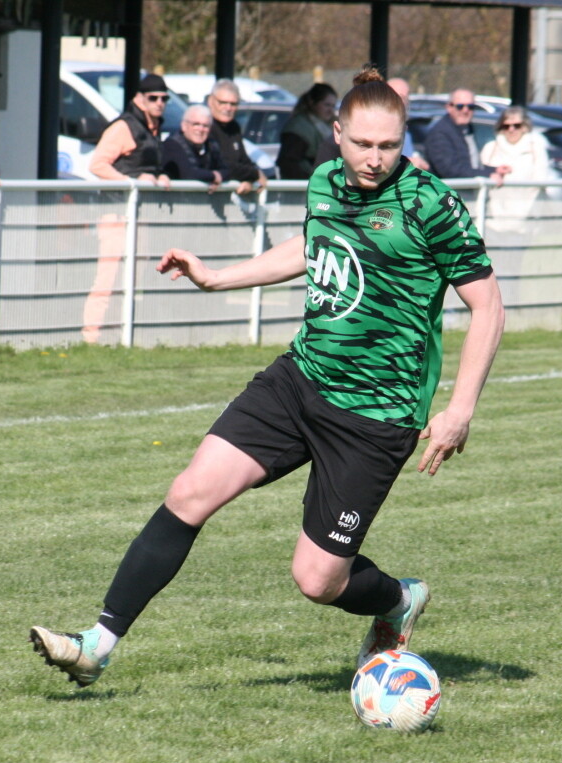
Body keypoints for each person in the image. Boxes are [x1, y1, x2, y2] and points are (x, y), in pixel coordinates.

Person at [29, 67, 505, 690]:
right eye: (363, 144)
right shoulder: (325, 181)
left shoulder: (429, 204)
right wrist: (216, 277)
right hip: (299, 380)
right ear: (338, 134)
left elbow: (488, 305)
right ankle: (97, 645)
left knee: (317, 580)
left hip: (375, 413)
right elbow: (311, 247)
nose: (375, 158)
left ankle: (397, 600)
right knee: (190, 491)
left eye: (389, 146)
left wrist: (460, 409)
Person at [83, 73, 173, 342]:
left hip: (139, 216)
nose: (160, 103)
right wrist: (131, 181)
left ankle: (118, 336)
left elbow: (145, 165)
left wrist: (160, 176)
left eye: (164, 98)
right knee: (108, 278)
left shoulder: (153, 127)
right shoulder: (123, 127)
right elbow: (97, 164)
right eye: (153, 98)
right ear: (139, 99)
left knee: (133, 278)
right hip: (115, 214)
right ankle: (91, 337)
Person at [480, 106, 551, 231]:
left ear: (524, 127)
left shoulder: (536, 149)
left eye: (516, 125)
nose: (511, 129)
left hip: (525, 224)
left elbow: (540, 183)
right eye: (506, 126)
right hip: (493, 223)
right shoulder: (490, 149)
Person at [424, 89, 509, 183]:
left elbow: (471, 166)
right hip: (449, 190)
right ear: (449, 107)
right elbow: (450, 170)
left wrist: (495, 170)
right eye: (460, 106)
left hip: (470, 189)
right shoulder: (440, 133)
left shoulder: (468, 130)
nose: (465, 110)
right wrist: (488, 175)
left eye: (470, 107)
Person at [205, 80, 270, 195]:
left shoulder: (233, 127)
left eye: (233, 104)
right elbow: (222, 165)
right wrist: (255, 174)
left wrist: (250, 180)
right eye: (223, 102)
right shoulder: (204, 126)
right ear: (211, 101)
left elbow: (243, 160)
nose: (228, 108)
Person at [275, 82, 338, 179]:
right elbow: (288, 163)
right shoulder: (299, 128)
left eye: (333, 106)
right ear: (312, 103)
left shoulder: (325, 126)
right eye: (327, 105)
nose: (330, 110)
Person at [161, 105, 226, 187]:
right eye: (196, 124)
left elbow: (227, 171)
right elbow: (188, 174)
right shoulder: (172, 145)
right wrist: (214, 176)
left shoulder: (211, 145)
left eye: (205, 126)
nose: (201, 129)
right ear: (184, 126)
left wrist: (216, 178)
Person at [387, 77, 430, 171]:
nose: (404, 102)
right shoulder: (376, 128)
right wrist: (408, 163)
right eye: (399, 97)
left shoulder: (416, 130)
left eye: (406, 97)